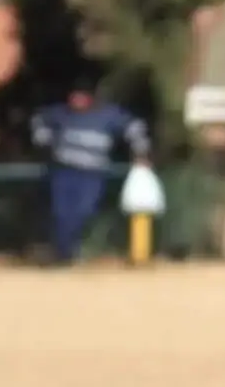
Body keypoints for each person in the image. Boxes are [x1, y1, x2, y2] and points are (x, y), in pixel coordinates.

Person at [30, 78, 150, 265]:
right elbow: (39, 120)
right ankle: (63, 253)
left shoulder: (108, 116)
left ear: (90, 99)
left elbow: (134, 128)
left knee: (84, 211)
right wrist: (44, 139)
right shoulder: (61, 113)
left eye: (80, 97)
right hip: (64, 172)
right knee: (61, 213)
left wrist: (140, 152)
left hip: (92, 174)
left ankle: (67, 250)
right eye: (73, 97)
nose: (75, 101)